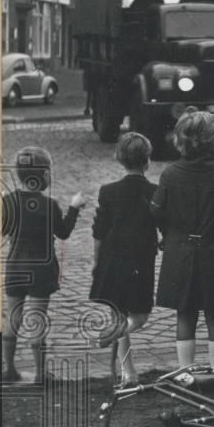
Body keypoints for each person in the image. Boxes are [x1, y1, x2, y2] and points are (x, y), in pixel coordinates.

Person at [151, 109, 214, 370]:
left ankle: (185, 370)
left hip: (180, 249)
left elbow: (156, 210)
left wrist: (167, 233)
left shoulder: (170, 173)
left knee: (185, 312)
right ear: (211, 141)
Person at [1, 147, 85, 384]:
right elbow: (64, 233)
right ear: (45, 175)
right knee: (37, 319)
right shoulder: (50, 205)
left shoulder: (7, 201)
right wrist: (75, 207)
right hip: (41, 269)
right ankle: (40, 375)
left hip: (15, 267)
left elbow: (2, 230)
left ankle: (9, 370)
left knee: (12, 318)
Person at [88, 133, 159, 387]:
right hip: (140, 262)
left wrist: (96, 262)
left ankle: (129, 371)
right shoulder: (154, 191)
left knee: (119, 315)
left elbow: (99, 231)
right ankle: (126, 367)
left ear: (119, 158)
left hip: (112, 258)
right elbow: (162, 225)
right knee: (138, 317)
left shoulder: (108, 191)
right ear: (147, 160)